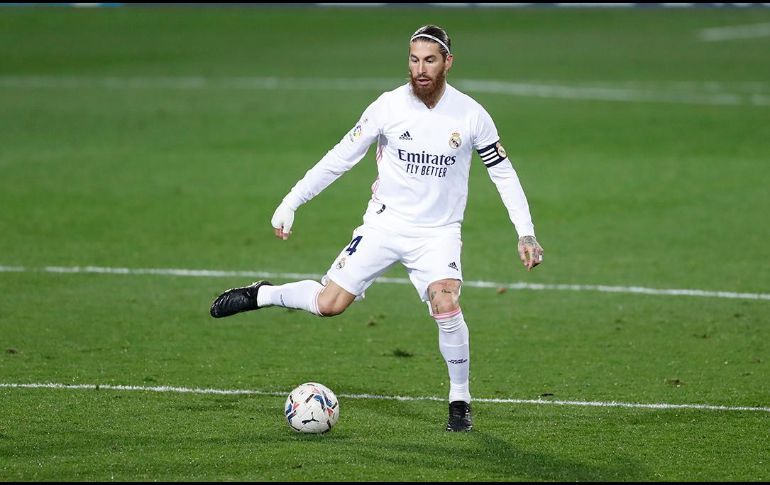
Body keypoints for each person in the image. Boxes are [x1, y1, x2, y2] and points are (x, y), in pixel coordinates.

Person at [210, 25, 544, 432]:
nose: (420, 69)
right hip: (384, 224)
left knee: (445, 301)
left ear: (448, 63)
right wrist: (292, 200)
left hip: (437, 233)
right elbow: (341, 157)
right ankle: (262, 294)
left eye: (430, 60)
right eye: (414, 59)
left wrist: (524, 232)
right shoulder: (388, 107)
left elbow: (503, 173)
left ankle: (460, 398)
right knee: (329, 305)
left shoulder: (471, 115)